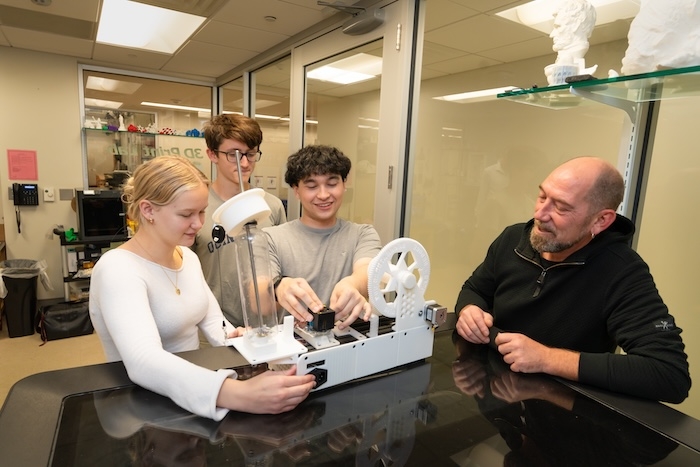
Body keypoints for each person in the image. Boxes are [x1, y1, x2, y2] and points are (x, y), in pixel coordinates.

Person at [89, 156, 315, 420]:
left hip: (193, 392)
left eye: (202, 211)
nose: (199, 224)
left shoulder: (188, 257)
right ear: (148, 210)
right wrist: (238, 393)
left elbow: (215, 323)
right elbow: (143, 361)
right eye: (186, 214)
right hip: (141, 406)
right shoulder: (118, 269)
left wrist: (239, 338)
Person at [455, 156, 691, 403]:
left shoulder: (622, 271)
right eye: (542, 196)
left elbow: (669, 374)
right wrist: (469, 309)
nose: (540, 214)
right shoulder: (512, 238)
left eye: (561, 207)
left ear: (601, 220)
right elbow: (474, 289)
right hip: (498, 402)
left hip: (563, 414)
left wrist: (547, 358)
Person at [263, 144, 382, 329]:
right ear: (296, 190)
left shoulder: (362, 234)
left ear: (344, 184)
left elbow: (368, 272)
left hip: (349, 343)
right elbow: (258, 301)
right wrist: (279, 287)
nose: (324, 195)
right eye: (311, 186)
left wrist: (352, 284)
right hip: (294, 350)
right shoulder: (271, 238)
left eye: (332, 184)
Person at [192, 114, 287, 327]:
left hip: (267, 325)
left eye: (250, 154)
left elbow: (281, 265)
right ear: (212, 154)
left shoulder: (271, 206)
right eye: (233, 155)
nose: (244, 163)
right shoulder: (197, 207)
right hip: (215, 327)